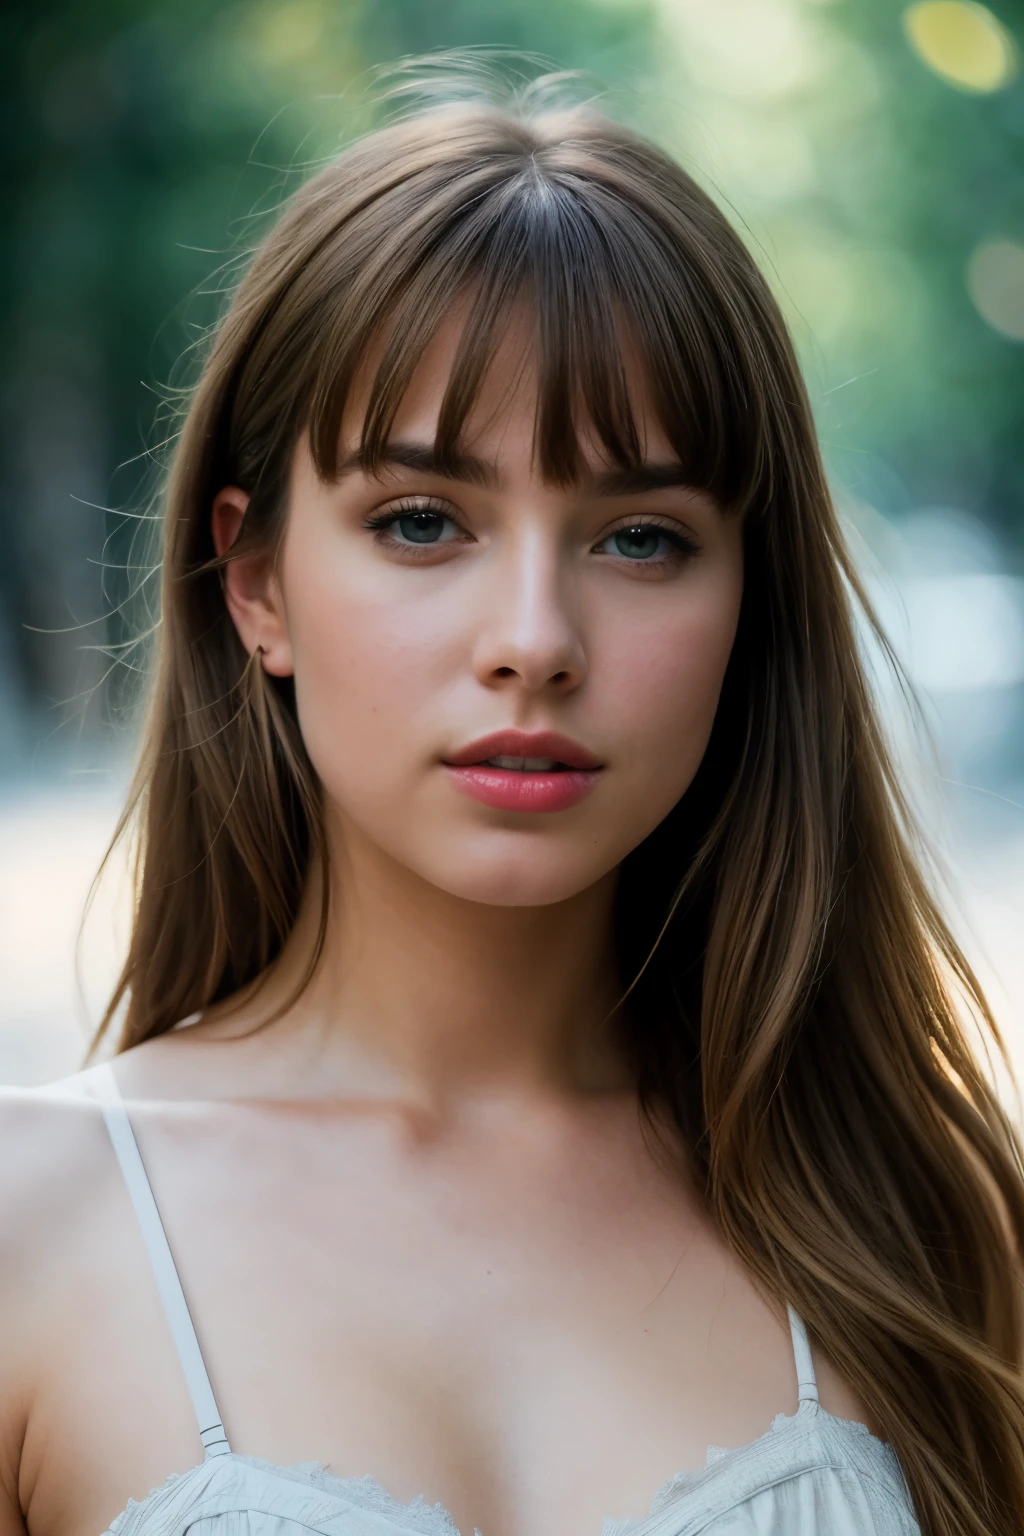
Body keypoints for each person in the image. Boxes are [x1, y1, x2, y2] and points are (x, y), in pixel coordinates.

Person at [2, 67, 1022, 1536]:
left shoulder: (918, 1222)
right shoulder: (31, 1225)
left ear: (752, 600)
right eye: (423, 522)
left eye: (641, 539)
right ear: (257, 584)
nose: (535, 637)